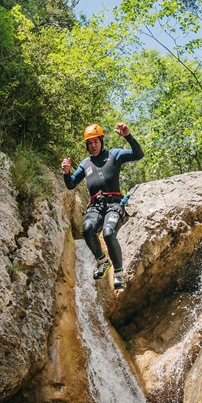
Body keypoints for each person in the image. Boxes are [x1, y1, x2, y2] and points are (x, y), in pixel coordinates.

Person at [61, 122, 143, 290]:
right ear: (87, 146)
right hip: (95, 206)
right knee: (87, 229)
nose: (93, 145)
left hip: (114, 204)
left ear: (101, 141)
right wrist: (66, 172)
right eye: (90, 143)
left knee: (108, 232)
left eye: (95, 141)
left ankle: (119, 274)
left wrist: (128, 136)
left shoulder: (114, 154)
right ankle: (102, 261)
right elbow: (71, 184)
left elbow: (138, 154)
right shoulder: (85, 163)